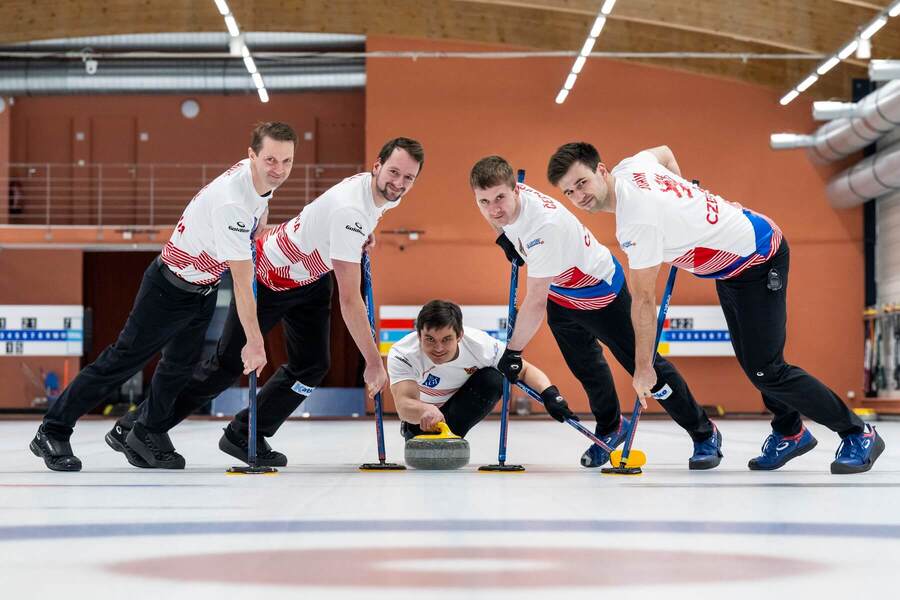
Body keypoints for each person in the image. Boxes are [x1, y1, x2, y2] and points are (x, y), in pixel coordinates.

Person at [547, 142, 884, 474]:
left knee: (767, 369)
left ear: (601, 171)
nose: (579, 195)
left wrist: (643, 367)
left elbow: (644, 302)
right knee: (756, 363)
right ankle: (789, 432)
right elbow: (665, 151)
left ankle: (857, 432)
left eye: (582, 182)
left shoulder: (637, 222)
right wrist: (691, 197)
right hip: (731, 267)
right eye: (569, 192)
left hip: (758, 258)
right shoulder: (631, 167)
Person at [107, 137, 425, 468]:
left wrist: (359, 236)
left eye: (408, 178)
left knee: (312, 366)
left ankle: (245, 433)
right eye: (393, 172)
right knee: (226, 367)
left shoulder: (376, 194)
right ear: (377, 166)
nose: (399, 183)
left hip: (311, 276)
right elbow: (349, 299)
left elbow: (343, 224)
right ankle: (140, 425)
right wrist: (374, 362)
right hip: (272, 274)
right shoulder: (352, 209)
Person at [30, 121, 296, 471]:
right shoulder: (232, 202)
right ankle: (53, 429)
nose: (278, 170)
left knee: (178, 369)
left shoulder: (258, 183)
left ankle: (143, 431)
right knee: (122, 361)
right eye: (270, 161)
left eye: (287, 161)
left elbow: (258, 221)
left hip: (202, 289)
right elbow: (244, 279)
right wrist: (255, 341)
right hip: (169, 287)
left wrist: (279, 226)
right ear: (252, 156)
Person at [470, 155, 720, 469]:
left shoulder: (542, 228)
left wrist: (514, 352)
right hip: (561, 292)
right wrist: (503, 237)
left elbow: (534, 300)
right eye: (484, 201)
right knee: (587, 369)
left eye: (500, 199)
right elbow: (496, 217)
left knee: (645, 368)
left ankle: (703, 432)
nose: (494, 209)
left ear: (517, 190)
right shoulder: (502, 202)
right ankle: (612, 426)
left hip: (599, 291)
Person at [389, 299, 575, 440]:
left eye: (446, 339)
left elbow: (524, 370)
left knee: (494, 378)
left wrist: (550, 393)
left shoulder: (481, 345)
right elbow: (404, 404)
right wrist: (424, 410)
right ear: (418, 333)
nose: (438, 348)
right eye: (430, 339)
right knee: (417, 414)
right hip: (420, 417)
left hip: (456, 410)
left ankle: (452, 437)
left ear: (460, 335)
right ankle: (420, 434)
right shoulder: (403, 353)